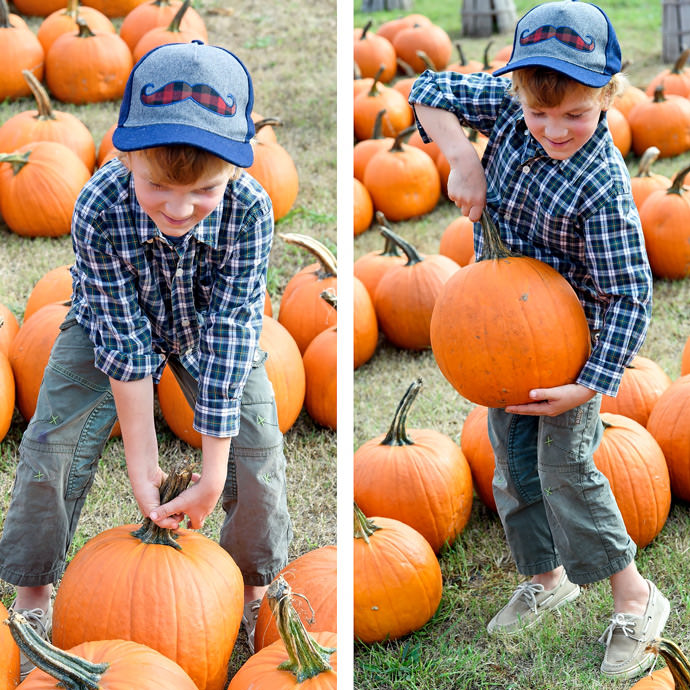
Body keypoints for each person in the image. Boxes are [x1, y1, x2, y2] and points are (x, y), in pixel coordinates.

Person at [0, 41, 292, 674]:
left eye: (205, 190)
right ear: (124, 154)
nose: (180, 209)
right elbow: (121, 339)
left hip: (207, 328)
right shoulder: (99, 206)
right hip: (106, 326)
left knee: (259, 442)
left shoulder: (250, 211)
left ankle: (250, 590)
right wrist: (142, 462)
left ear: (237, 171)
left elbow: (232, 330)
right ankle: (33, 591)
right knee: (51, 440)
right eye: (157, 186)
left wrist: (212, 469)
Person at [409, 0, 668, 680]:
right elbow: (428, 90)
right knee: (512, 467)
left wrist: (588, 381)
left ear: (607, 96)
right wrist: (462, 156)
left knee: (565, 469)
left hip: (566, 352)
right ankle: (547, 577)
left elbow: (629, 293)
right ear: (518, 90)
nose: (554, 128)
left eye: (575, 115)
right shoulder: (508, 101)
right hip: (498, 336)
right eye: (539, 113)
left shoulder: (602, 185)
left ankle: (635, 596)